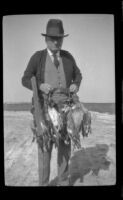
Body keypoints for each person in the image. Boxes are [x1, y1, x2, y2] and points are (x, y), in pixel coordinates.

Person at [21, 19, 83, 186]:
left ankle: (63, 182)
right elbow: (25, 79)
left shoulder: (68, 57)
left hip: (66, 111)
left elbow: (78, 74)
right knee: (44, 150)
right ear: (46, 39)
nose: (56, 42)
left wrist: (75, 84)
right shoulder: (37, 57)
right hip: (43, 111)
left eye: (59, 38)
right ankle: (44, 183)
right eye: (52, 38)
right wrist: (39, 85)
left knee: (64, 149)